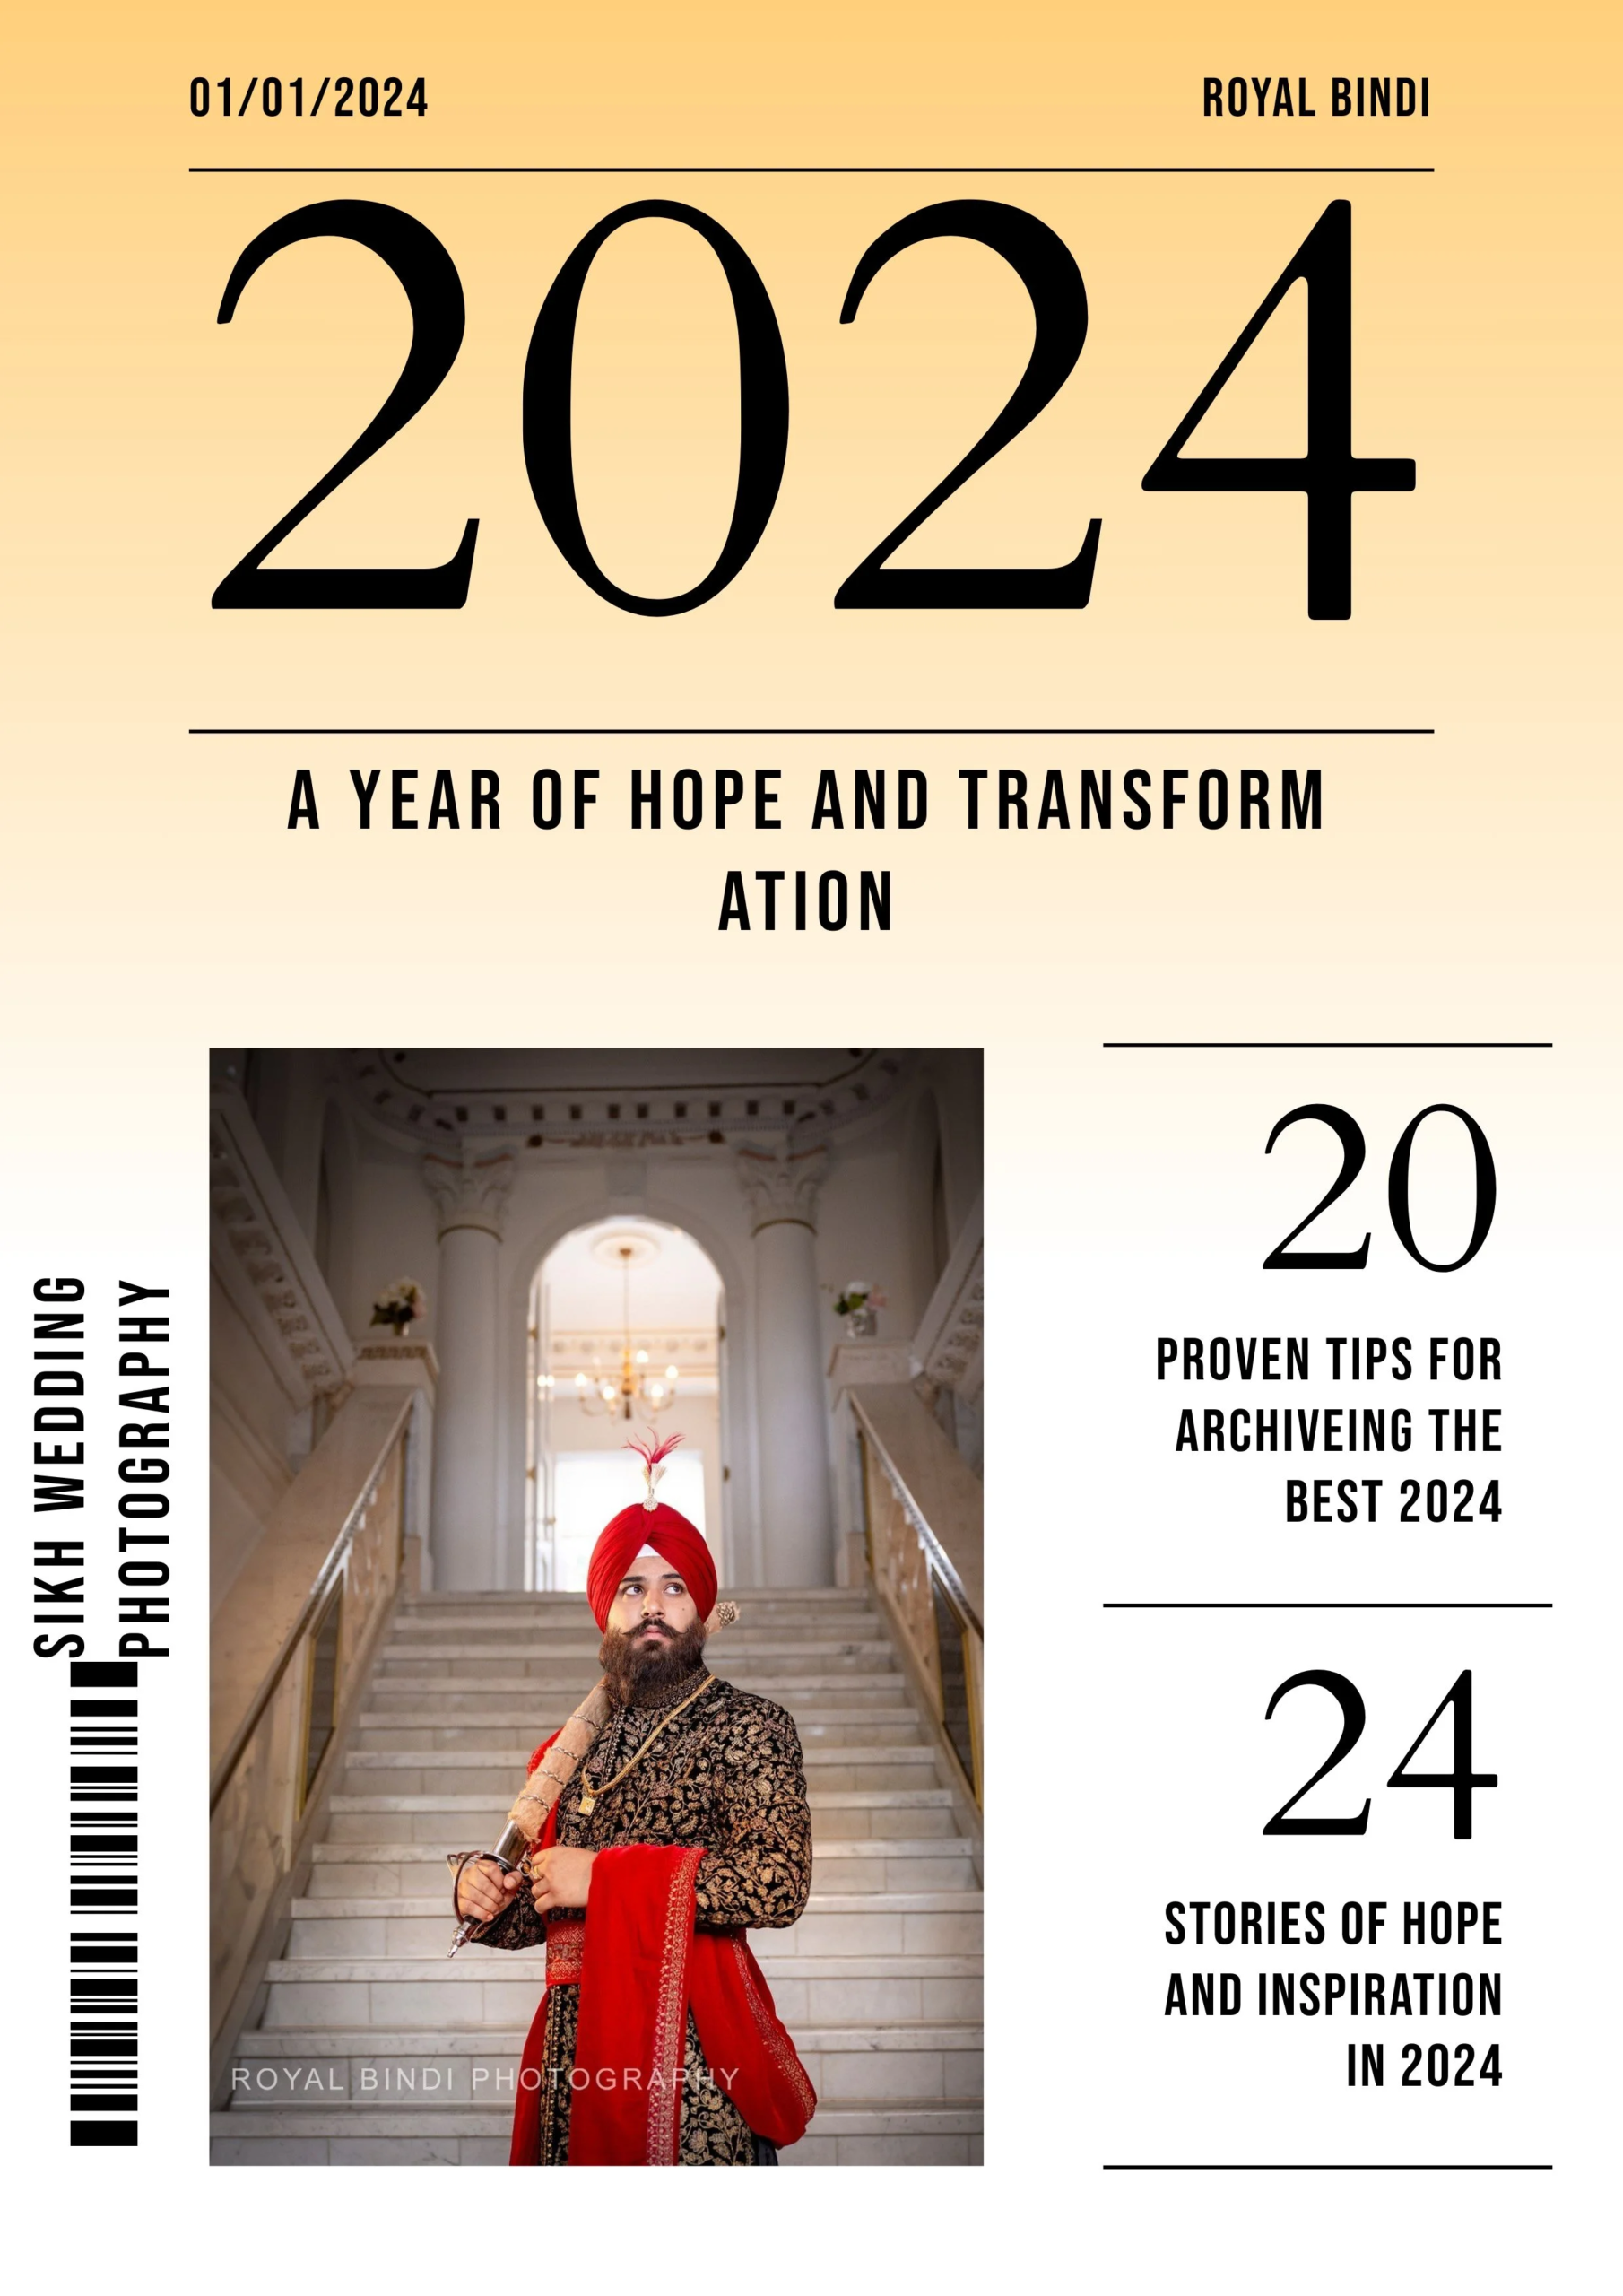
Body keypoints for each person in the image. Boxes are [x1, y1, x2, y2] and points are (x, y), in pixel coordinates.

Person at [452, 1436, 817, 2165]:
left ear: (700, 1607)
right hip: (574, 2050)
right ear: (606, 1610)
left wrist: (606, 1874)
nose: (654, 1604)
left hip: (694, 2052)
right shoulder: (565, 1751)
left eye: (675, 1586)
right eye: (633, 1587)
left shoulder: (750, 1724)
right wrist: (481, 1890)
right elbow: (536, 1912)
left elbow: (778, 1884)